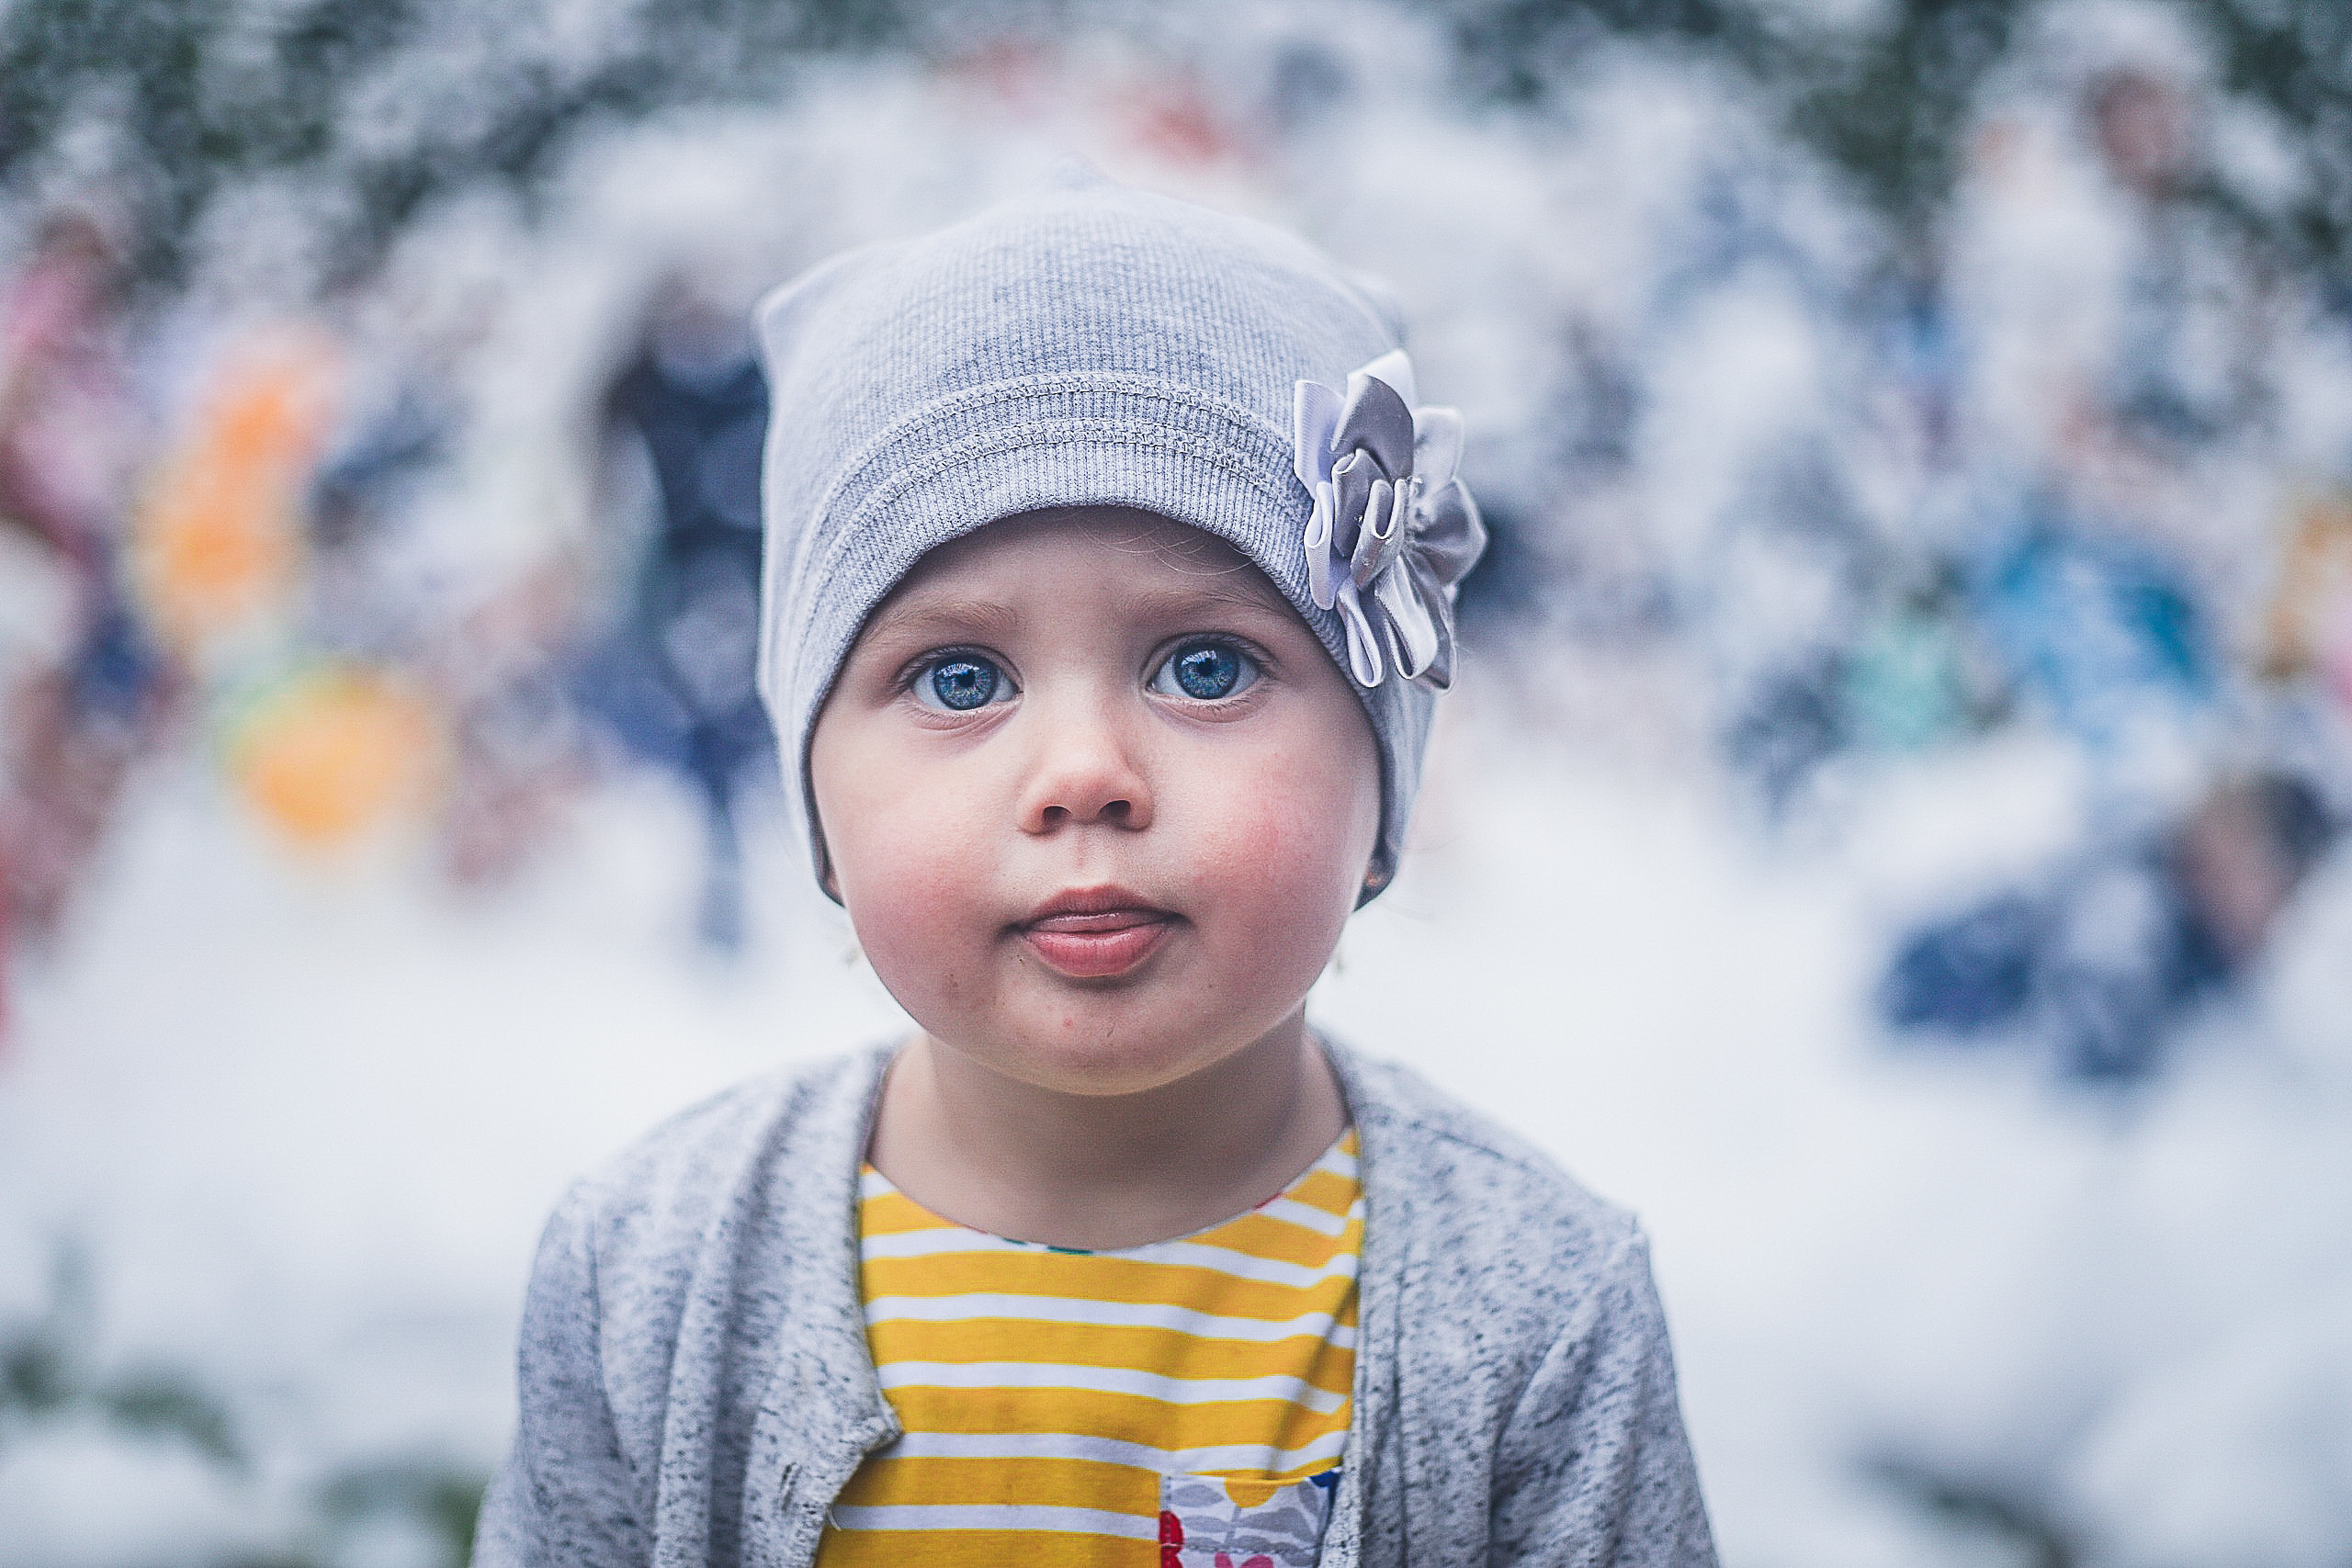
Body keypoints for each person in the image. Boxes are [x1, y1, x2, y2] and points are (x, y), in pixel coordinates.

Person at [474, 174, 1716, 1567]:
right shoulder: (647, 1277)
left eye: (1205, 665)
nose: (1084, 772)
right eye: (959, 676)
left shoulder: (1541, 1312)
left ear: (1384, 753)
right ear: (814, 777)